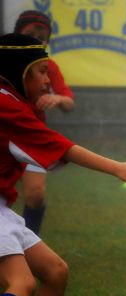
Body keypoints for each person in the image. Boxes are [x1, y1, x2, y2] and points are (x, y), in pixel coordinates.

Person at [0, 34, 126, 296]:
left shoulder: (15, 102)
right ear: (17, 73)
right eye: (40, 71)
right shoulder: (5, 104)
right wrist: (116, 167)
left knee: (55, 272)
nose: (48, 80)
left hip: (4, 208)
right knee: (21, 282)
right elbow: (61, 147)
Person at [14, 10, 75, 235]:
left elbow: (69, 103)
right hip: (4, 136)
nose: (36, 41)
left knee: (35, 195)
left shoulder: (48, 67)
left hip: (32, 138)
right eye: (30, 35)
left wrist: (57, 98)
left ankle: (29, 244)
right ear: (17, 35)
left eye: (42, 38)